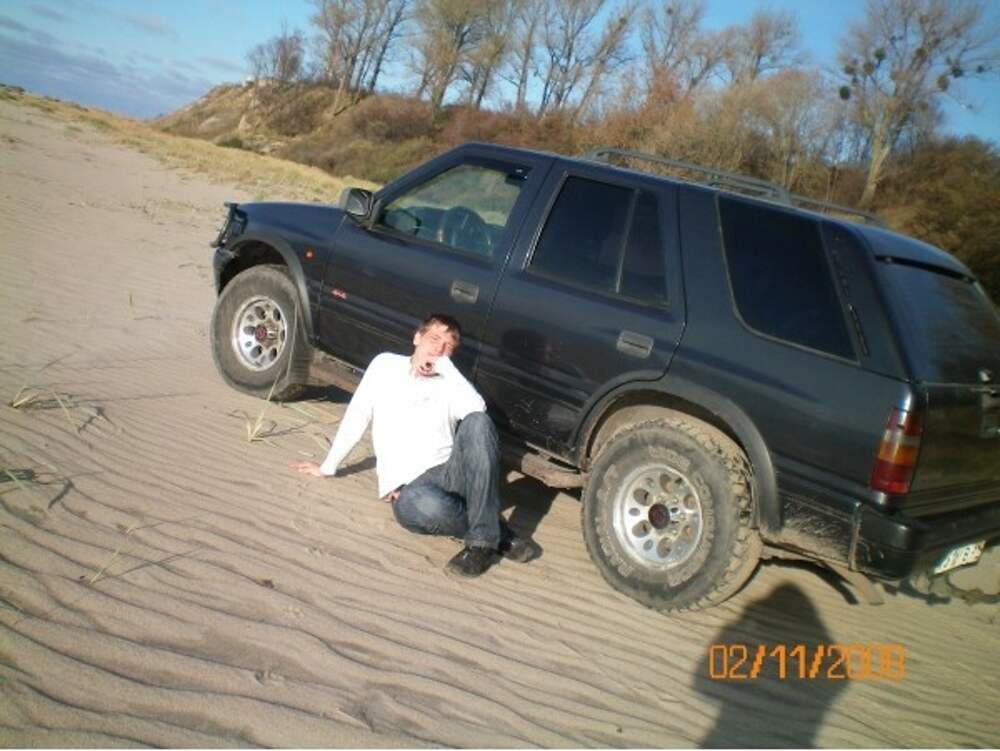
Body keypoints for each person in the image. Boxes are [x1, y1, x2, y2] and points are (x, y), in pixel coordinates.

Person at [290, 313, 535, 577]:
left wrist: (447, 369)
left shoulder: (451, 383)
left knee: (479, 422)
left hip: (449, 473)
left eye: (448, 347)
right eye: (434, 339)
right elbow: (357, 415)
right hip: (410, 489)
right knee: (421, 503)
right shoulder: (385, 365)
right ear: (417, 337)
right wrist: (328, 466)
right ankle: (499, 534)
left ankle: (481, 544)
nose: (438, 349)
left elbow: (478, 410)